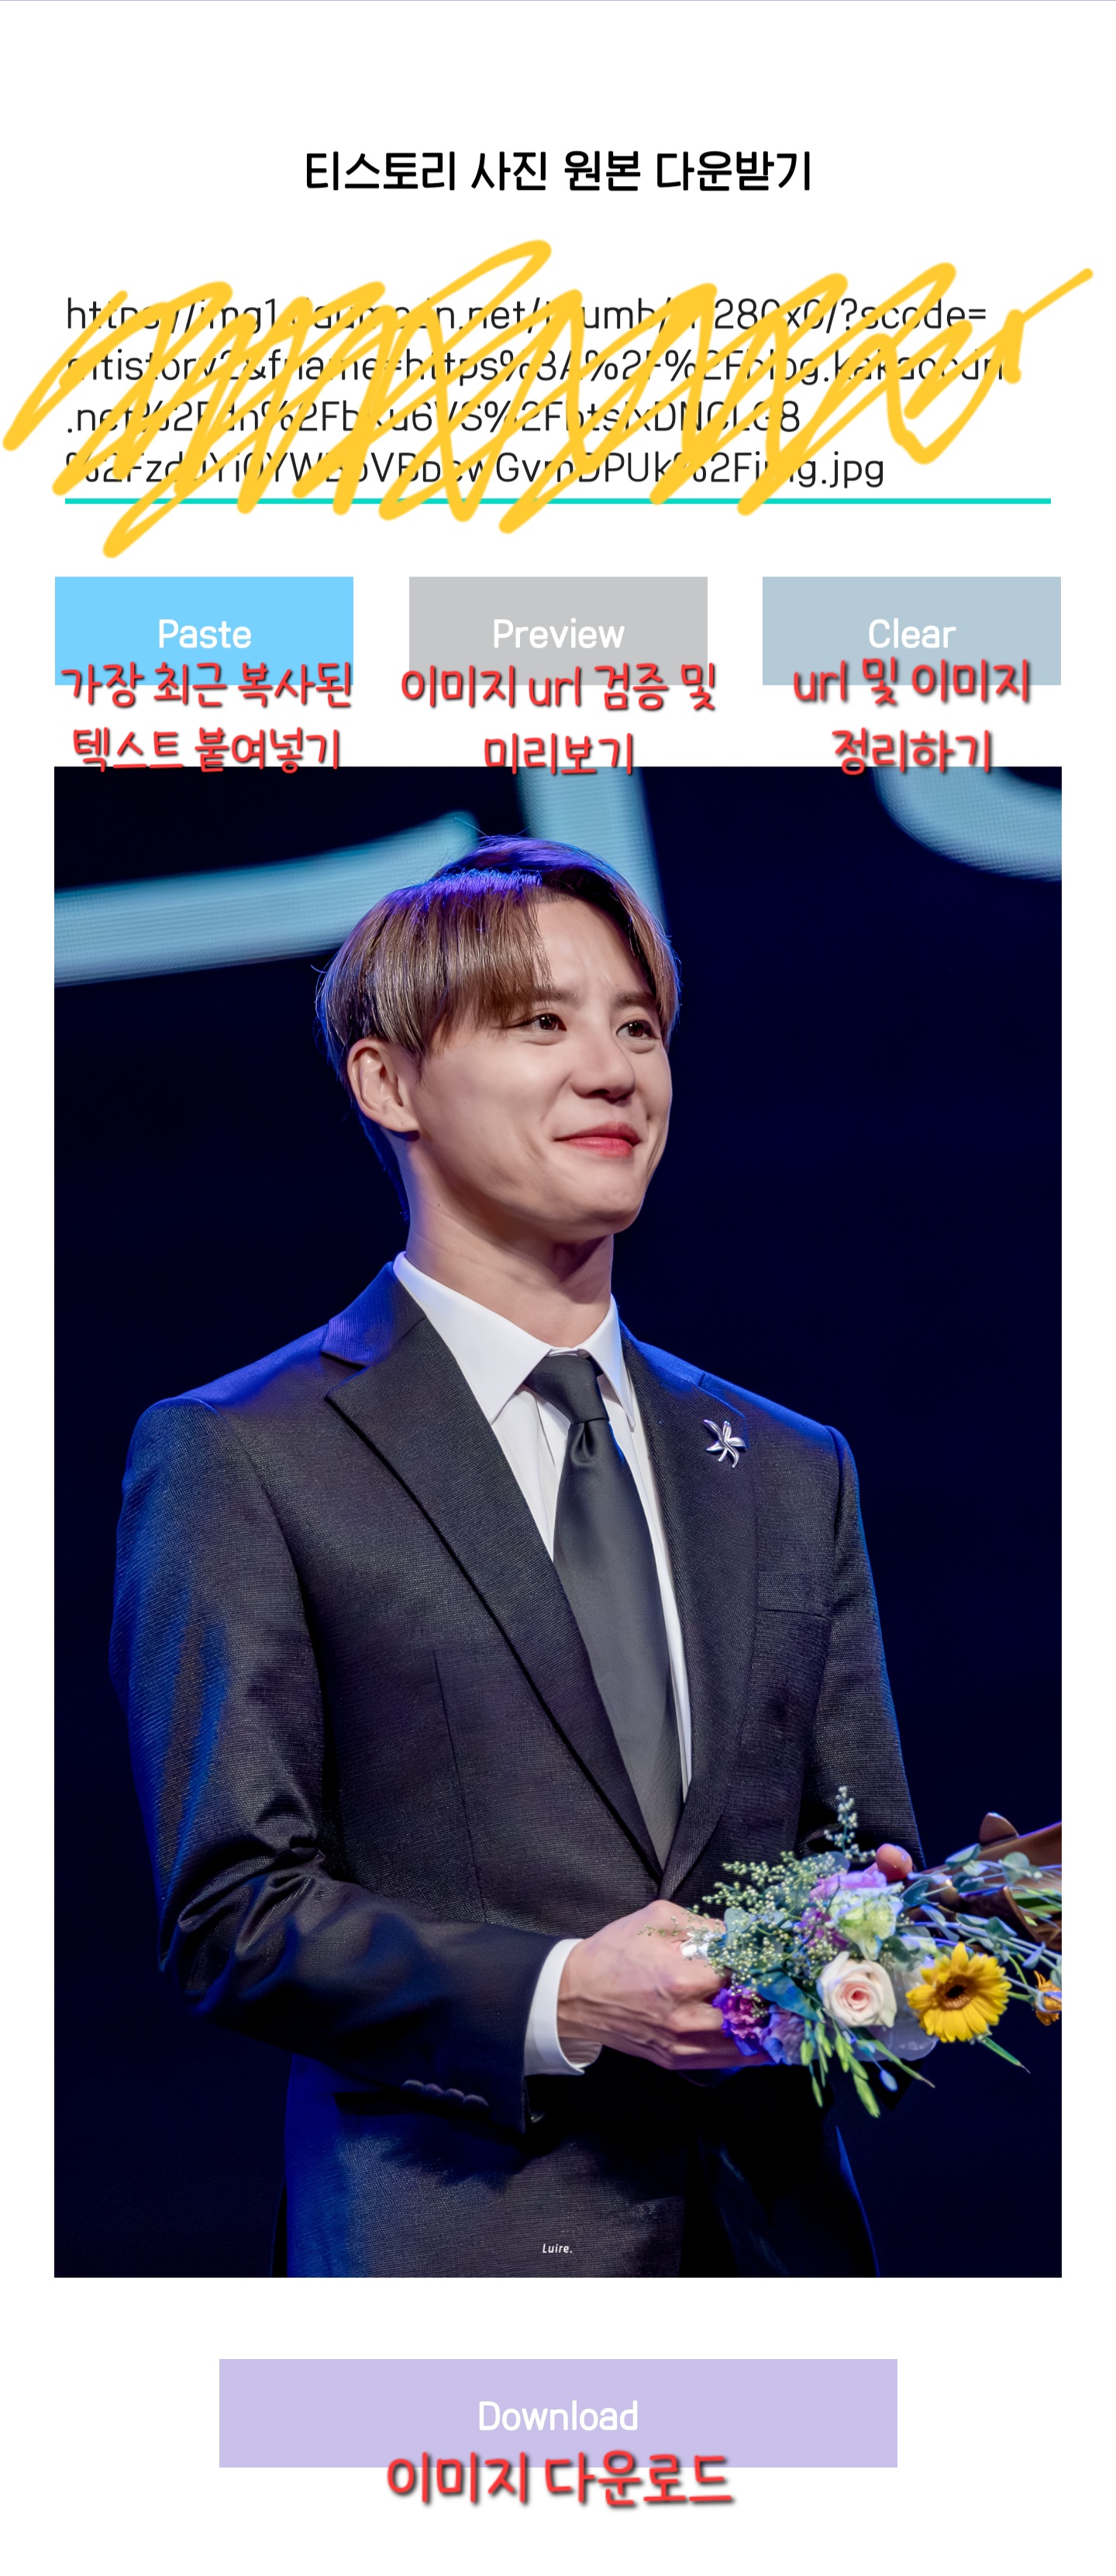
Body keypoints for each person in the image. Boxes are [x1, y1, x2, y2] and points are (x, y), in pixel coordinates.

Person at [112, 835, 920, 2278]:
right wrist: (567, 1996)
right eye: (542, 1022)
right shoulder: (245, 1454)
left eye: (638, 1027)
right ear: (388, 1083)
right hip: (460, 2268)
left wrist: (928, 1943)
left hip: (781, 2266)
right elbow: (234, 1914)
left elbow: (857, 1865)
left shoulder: (794, 1466)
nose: (613, 1072)